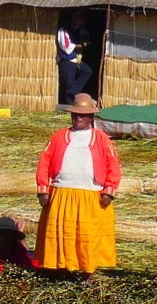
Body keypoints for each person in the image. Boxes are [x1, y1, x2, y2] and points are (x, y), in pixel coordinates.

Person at [34, 93, 122, 277]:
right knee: (62, 234)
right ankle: (61, 269)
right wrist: (43, 189)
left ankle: (86, 270)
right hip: (61, 194)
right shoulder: (58, 137)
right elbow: (44, 162)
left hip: (91, 196)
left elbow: (113, 164)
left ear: (91, 117)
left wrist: (109, 190)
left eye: (83, 114)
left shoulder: (102, 139)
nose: (78, 117)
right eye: (75, 114)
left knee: (86, 235)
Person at [57, 10, 92, 105]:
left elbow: (85, 39)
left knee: (87, 71)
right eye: (76, 20)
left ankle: (72, 92)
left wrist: (85, 43)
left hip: (76, 59)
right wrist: (77, 46)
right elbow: (65, 47)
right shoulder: (63, 30)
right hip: (66, 60)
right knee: (69, 84)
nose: (78, 24)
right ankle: (70, 105)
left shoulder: (79, 31)